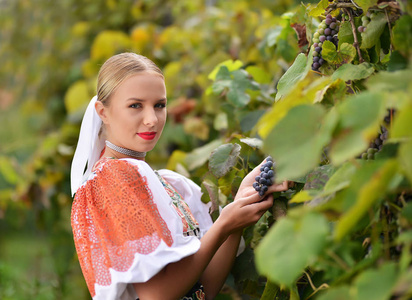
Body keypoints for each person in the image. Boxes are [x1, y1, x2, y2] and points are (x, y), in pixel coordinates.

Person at [70, 52, 288, 300]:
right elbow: (156, 295)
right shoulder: (113, 180)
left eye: (159, 105)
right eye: (135, 106)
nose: (152, 119)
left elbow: (201, 291)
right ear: (103, 112)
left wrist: (236, 215)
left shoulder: (158, 182)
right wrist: (224, 225)